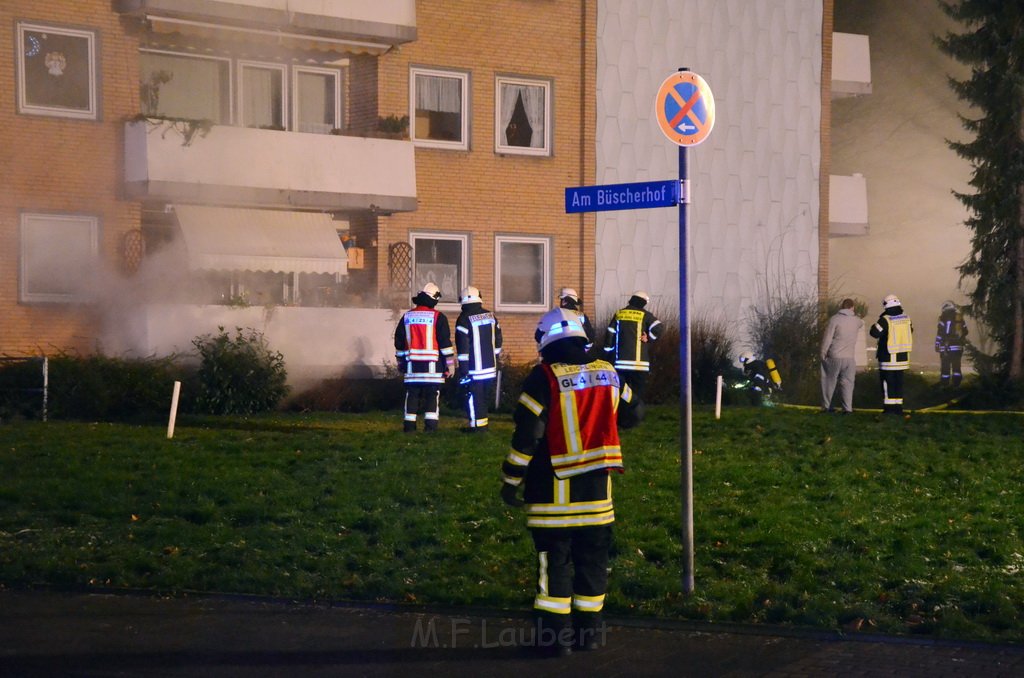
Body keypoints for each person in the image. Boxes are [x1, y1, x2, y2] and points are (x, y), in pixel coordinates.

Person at [501, 308, 638, 657]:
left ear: (545, 340)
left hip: (552, 499)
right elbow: (635, 414)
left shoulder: (542, 379)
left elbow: (527, 437)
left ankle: (552, 642)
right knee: (593, 565)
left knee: (554, 567)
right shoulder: (609, 373)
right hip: (597, 498)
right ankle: (588, 636)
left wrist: (510, 479)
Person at [394, 282, 454, 432]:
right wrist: (450, 364)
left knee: (412, 395)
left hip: (412, 367)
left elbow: (399, 342)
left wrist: (401, 362)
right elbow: (445, 343)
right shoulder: (438, 317)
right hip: (433, 368)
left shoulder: (407, 316)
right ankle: (430, 428)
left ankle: (409, 427)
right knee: (432, 396)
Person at [602, 290, 663, 417]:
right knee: (637, 392)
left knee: (621, 391)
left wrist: (607, 354)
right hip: (640, 365)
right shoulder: (645, 315)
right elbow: (659, 327)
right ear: (643, 302)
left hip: (621, 363)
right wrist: (649, 338)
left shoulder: (619, 313)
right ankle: (637, 415)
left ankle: (622, 414)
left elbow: (610, 334)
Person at [454, 286, 503, 432]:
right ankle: (483, 425)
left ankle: (477, 427)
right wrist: (495, 357)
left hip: (473, 369)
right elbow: (499, 339)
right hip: (490, 367)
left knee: (473, 398)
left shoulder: (463, 319)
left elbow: (462, 348)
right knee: (484, 398)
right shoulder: (490, 316)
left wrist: (463, 370)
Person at [869, 294, 913, 415]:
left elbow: (874, 333)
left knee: (887, 384)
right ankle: (898, 408)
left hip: (888, 358)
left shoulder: (885, 320)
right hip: (902, 358)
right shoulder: (907, 319)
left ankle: (889, 409)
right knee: (899, 383)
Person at [820, 298, 864, 413]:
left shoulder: (834, 319)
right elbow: (861, 323)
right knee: (848, 384)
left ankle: (827, 407)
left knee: (829, 382)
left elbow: (827, 338)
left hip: (834, 356)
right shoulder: (857, 321)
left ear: (841, 307)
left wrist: (823, 353)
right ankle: (847, 409)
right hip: (849, 358)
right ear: (852, 307)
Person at [935, 300, 968, 388]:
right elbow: (965, 331)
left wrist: (937, 344)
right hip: (958, 347)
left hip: (946, 347)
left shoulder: (943, 318)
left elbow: (940, 334)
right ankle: (956, 384)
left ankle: (945, 383)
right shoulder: (959, 318)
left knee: (945, 366)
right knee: (956, 366)